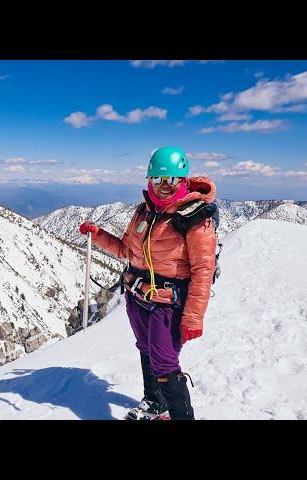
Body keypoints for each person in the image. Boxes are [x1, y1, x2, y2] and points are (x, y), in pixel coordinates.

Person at [78, 146, 217, 420]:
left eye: (172, 180)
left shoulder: (195, 217)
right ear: (149, 179)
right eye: (158, 179)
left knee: (165, 362)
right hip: (137, 297)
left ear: (183, 180)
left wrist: (193, 317)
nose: (164, 186)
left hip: (169, 302)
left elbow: (204, 270)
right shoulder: (144, 212)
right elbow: (126, 252)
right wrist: (98, 234)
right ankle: (155, 403)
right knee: (146, 349)